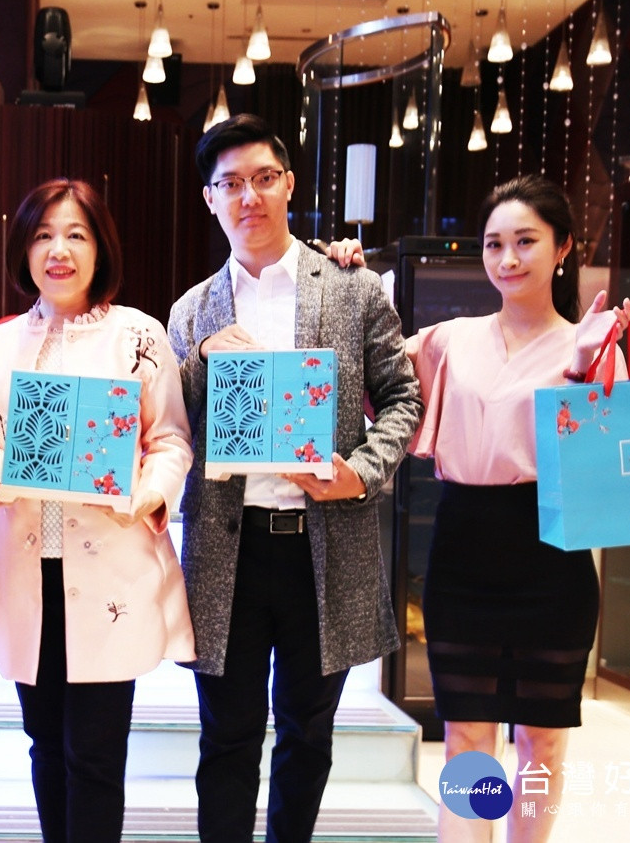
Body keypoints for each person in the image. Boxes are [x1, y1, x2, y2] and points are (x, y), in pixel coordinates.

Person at [166, 113, 423, 843]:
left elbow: (403, 398)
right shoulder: (190, 310)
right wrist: (199, 359)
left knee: (308, 733)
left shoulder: (351, 287)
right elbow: (168, 423)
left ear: (288, 185)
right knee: (226, 736)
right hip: (228, 550)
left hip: (324, 543)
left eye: (264, 178)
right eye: (231, 184)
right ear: (210, 199)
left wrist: (360, 473)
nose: (249, 196)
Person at [405, 174, 630, 842]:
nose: (507, 259)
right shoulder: (448, 340)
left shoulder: (594, 346)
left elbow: (600, 468)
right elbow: (379, 383)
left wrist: (584, 371)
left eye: (525, 242)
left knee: (543, 742)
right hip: (463, 550)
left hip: (551, 556)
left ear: (563, 248)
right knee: (466, 736)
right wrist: (349, 268)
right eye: (494, 243)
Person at [0, 178, 195, 843]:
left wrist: (149, 492)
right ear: (23, 248)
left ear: (101, 248)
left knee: (95, 755)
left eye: (75, 235)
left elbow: (171, 440)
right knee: (44, 743)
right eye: (43, 235)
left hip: (110, 570)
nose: (58, 250)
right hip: (27, 570)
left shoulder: (139, 337)